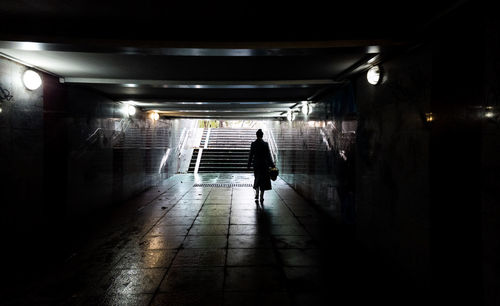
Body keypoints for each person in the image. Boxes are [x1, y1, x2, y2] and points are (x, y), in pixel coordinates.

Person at [247, 129, 275, 204]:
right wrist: (272, 165)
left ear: (256, 135)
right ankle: (261, 196)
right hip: (264, 165)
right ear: (262, 135)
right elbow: (268, 155)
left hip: (256, 164)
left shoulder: (253, 144)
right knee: (263, 180)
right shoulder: (265, 144)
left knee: (257, 178)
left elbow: (251, 155)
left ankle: (256, 193)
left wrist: (249, 164)